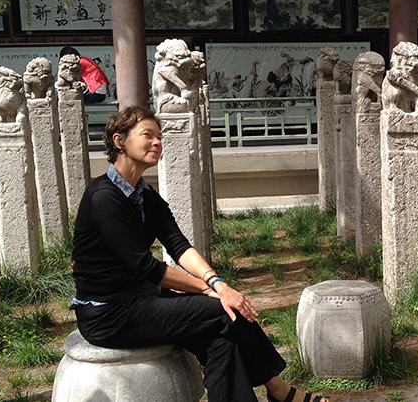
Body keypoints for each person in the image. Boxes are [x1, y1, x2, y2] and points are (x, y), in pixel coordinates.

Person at [71, 107, 328, 402]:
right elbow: (147, 268)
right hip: (108, 314)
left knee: (222, 338)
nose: (157, 142)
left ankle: (276, 393)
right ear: (119, 141)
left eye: (159, 137)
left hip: (141, 300)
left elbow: (179, 246)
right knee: (224, 311)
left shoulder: (144, 196)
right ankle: (280, 392)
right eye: (147, 136)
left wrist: (218, 284)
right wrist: (214, 292)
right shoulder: (103, 197)